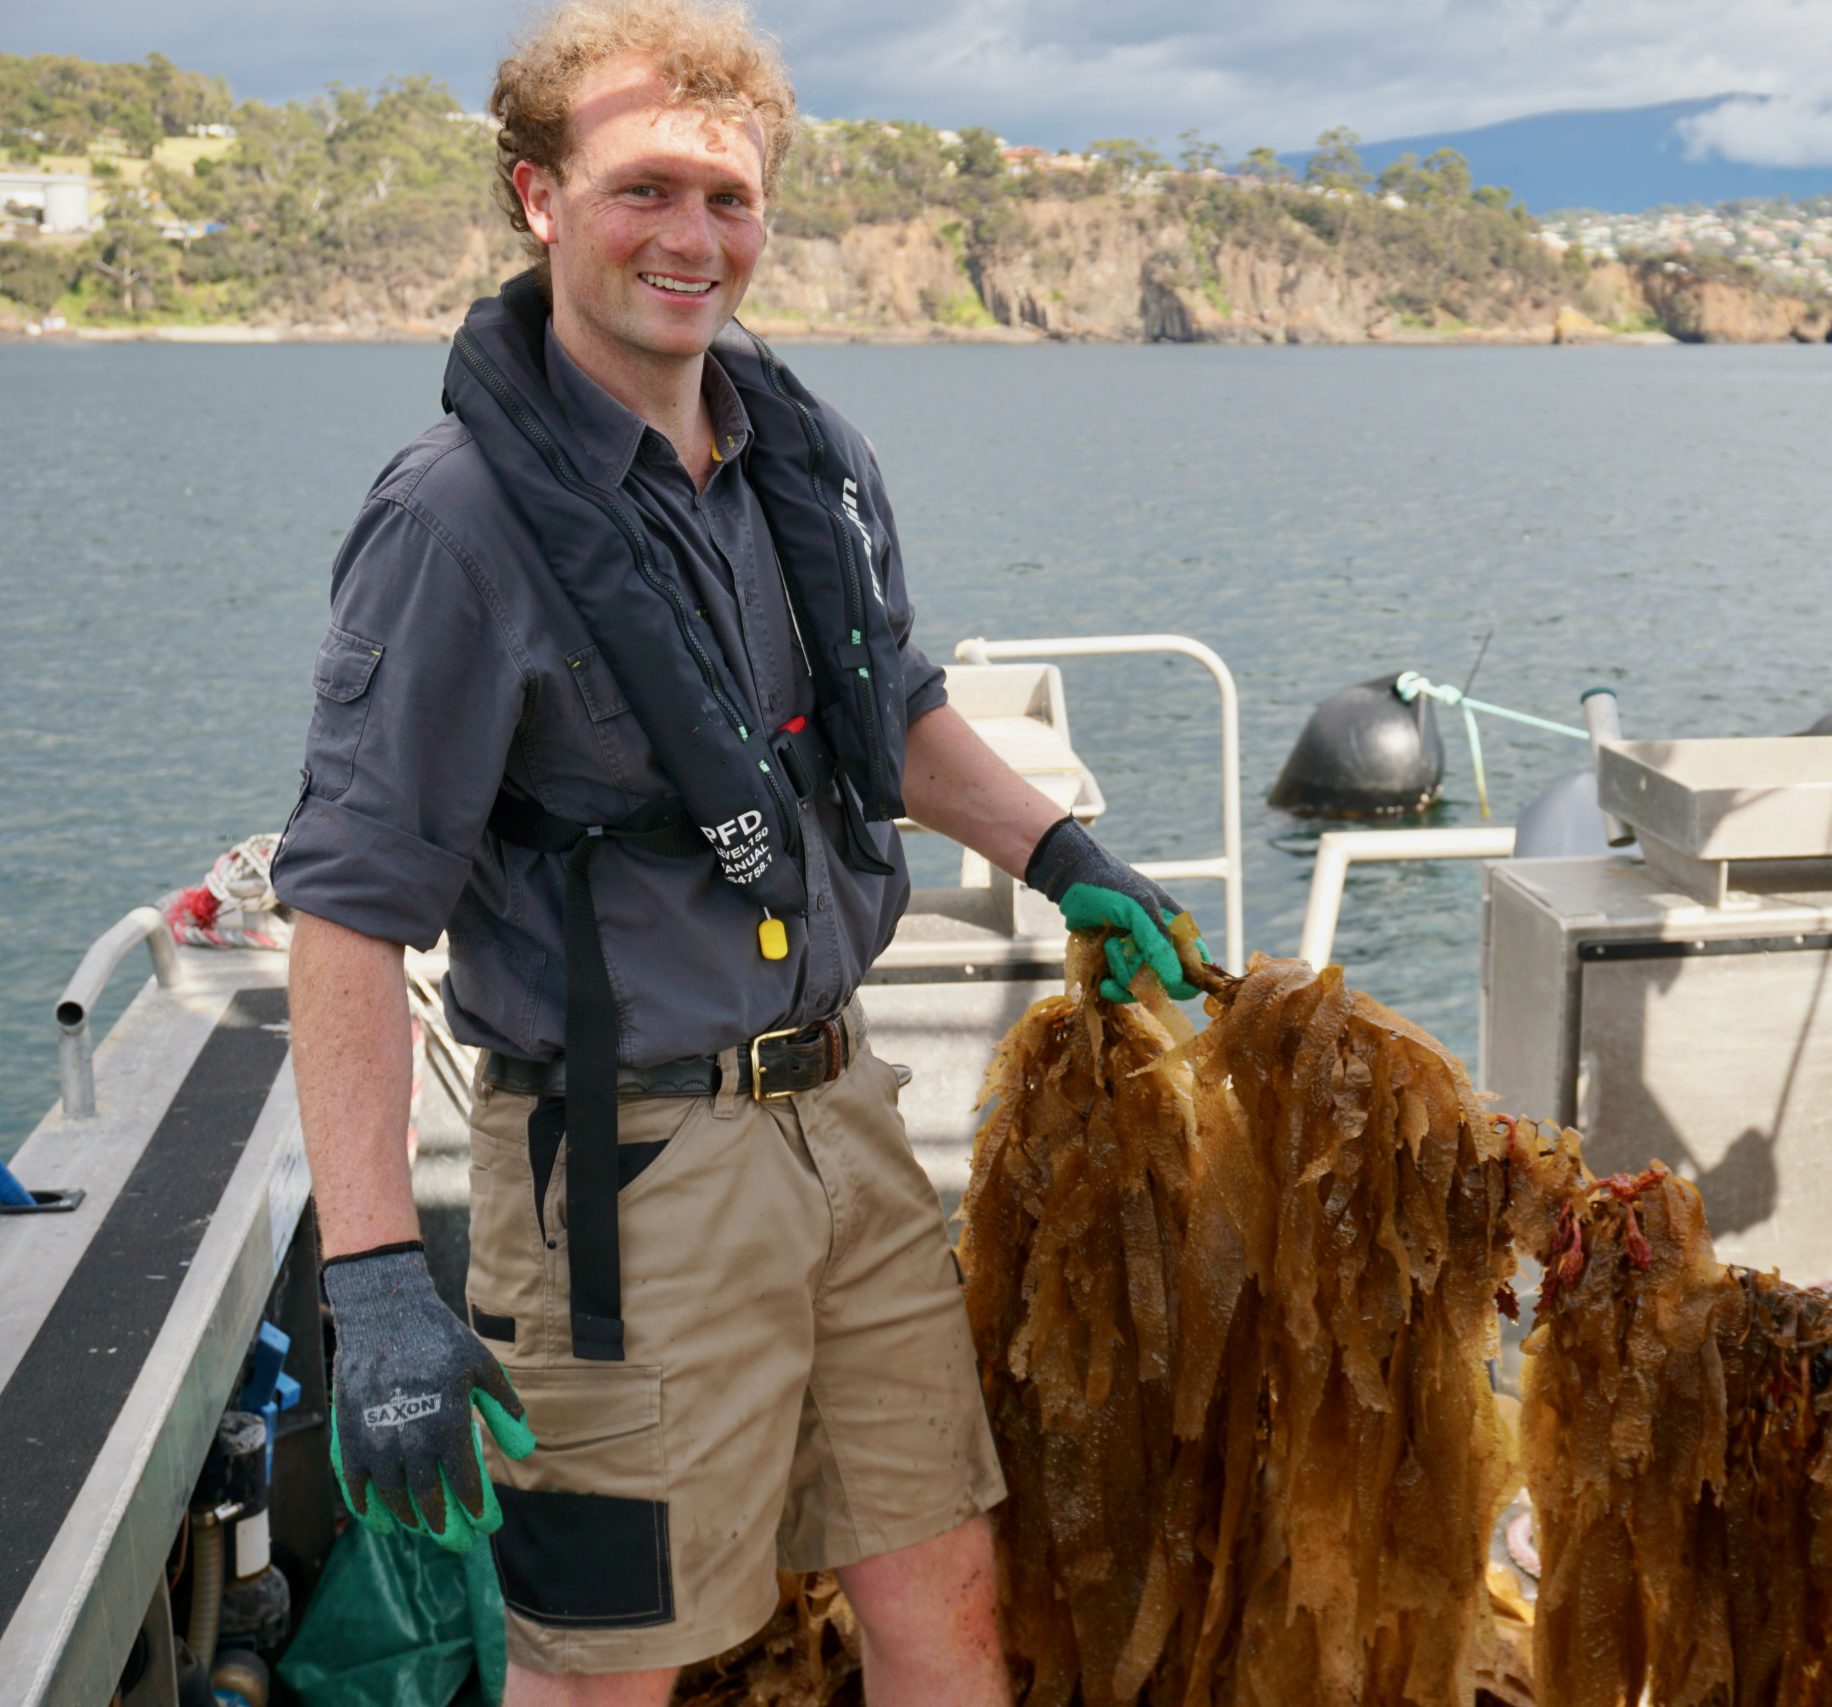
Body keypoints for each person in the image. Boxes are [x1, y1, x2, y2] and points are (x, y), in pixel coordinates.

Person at [268, 3, 1188, 1700]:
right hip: (631, 1184)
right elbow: (344, 907)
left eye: (729, 198)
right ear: (539, 198)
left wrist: (1065, 853)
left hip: (845, 1127)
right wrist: (376, 1275)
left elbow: (883, 708)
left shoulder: (799, 460)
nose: (693, 239)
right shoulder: (454, 523)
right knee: (610, 1657)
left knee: (945, 1581)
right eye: (643, 190)